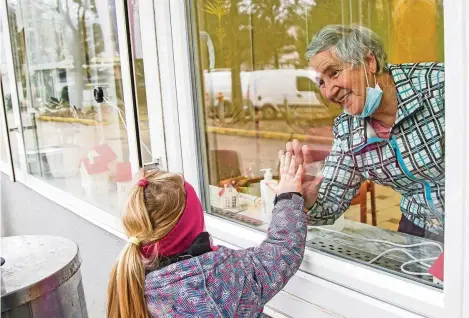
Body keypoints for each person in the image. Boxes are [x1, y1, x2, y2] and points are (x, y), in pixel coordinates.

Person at [287, 24, 445, 241]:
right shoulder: (348, 129)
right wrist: (307, 199)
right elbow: (332, 200)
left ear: (369, 62)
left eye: (334, 73)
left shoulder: (439, 85)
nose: (330, 91)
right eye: (321, 82)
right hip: (420, 226)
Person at [106, 152, 306, 318]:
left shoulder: (135, 286)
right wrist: (288, 197)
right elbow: (282, 251)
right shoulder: (228, 275)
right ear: (193, 223)